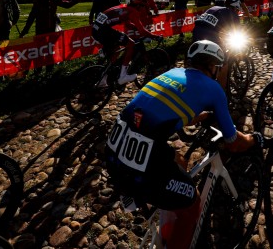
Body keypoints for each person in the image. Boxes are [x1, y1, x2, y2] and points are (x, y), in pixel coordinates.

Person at [104, 40, 260, 249]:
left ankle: (165, 211)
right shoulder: (214, 89)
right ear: (214, 67)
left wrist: (199, 117)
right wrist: (254, 139)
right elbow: (233, 142)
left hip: (115, 149)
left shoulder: (173, 73)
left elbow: (168, 109)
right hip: (143, 165)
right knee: (192, 208)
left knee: (180, 159)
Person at [91, 0, 163, 85]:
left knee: (117, 49)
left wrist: (138, 28)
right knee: (131, 43)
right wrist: (155, 36)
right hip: (103, 31)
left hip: (96, 30)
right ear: (138, 5)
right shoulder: (133, 11)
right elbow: (142, 32)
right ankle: (123, 76)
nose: (143, 9)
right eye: (142, 6)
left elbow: (128, 24)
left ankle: (103, 77)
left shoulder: (124, 7)